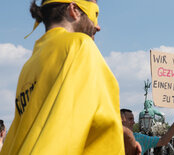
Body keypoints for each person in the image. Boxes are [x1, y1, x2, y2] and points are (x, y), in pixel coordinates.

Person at [0, 0, 125, 154]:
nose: (97, 26)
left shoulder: (29, 65)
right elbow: (67, 129)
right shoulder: (80, 46)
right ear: (74, 10)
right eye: (95, 15)